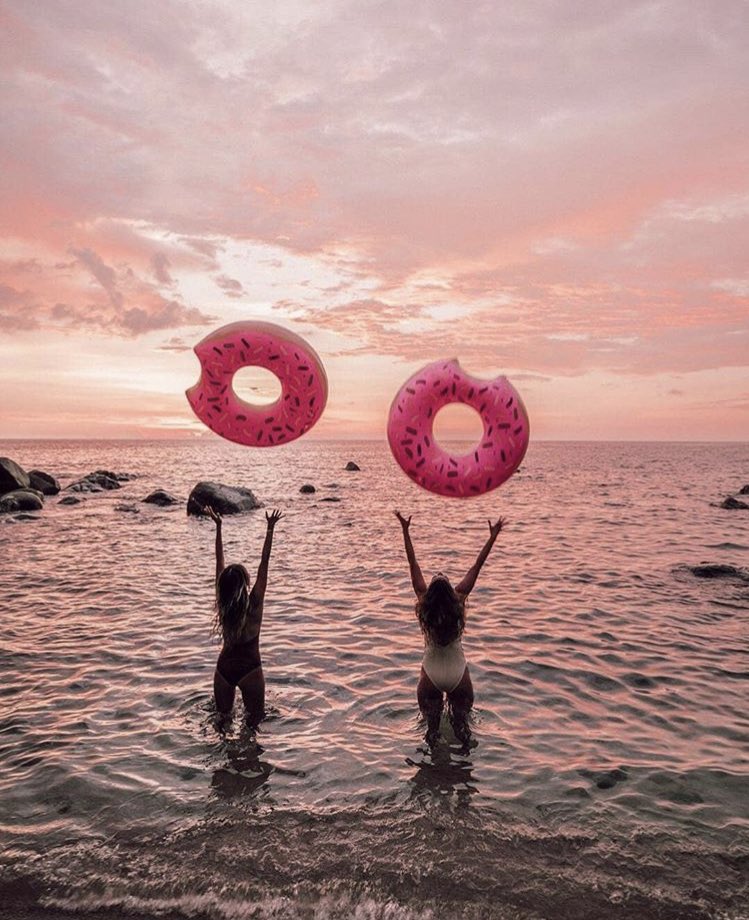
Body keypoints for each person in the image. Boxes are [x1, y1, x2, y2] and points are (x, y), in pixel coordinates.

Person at [394, 510, 505, 745]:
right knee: (463, 731)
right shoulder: (459, 600)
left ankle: (431, 775)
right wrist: (492, 537)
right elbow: (478, 563)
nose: (439, 572)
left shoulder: (424, 603)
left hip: (430, 675)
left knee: (431, 735)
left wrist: (405, 530)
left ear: (432, 590)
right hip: (458, 675)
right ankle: (463, 773)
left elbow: (412, 562)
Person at [204, 505, 283, 725]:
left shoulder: (223, 603)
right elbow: (263, 563)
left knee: (221, 724)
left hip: (224, 669)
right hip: (251, 669)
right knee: (254, 726)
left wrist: (219, 527)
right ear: (244, 584)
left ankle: (223, 758)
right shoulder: (255, 604)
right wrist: (270, 529)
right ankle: (249, 760)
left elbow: (218, 564)